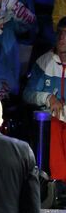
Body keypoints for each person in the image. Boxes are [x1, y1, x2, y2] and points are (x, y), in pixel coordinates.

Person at [23, 19, 66, 181]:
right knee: (53, 124)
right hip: (50, 119)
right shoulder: (44, 62)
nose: (61, 38)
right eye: (59, 33)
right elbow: (27, 94)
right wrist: (48, 97)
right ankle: (60, 183)